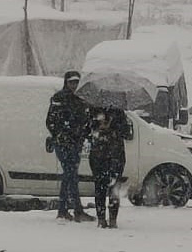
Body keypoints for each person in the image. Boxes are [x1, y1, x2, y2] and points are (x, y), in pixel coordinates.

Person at [46, 71, 95, 222]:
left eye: (76, 82)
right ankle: (75, 210)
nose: (74, 85)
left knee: (70, 175)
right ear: (66, 82)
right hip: (64, 143)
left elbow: (84, 121)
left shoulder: (81, 99)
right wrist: (61, 134)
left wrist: (85, 132)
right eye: (71, 82)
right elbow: (51, 121)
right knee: (70, 174)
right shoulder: (59, 98)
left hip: (75, 143)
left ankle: (64, 209)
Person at [88, 100, 132, 229]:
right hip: (99, 155)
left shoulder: (119, 112)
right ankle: (101, 219)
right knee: (100, 187)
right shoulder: (94, 111)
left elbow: (128, 133)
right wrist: (98, 127)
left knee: (114, 187)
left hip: (115, 155)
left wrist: (113, 129)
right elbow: (86, 130)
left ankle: (113, 218)